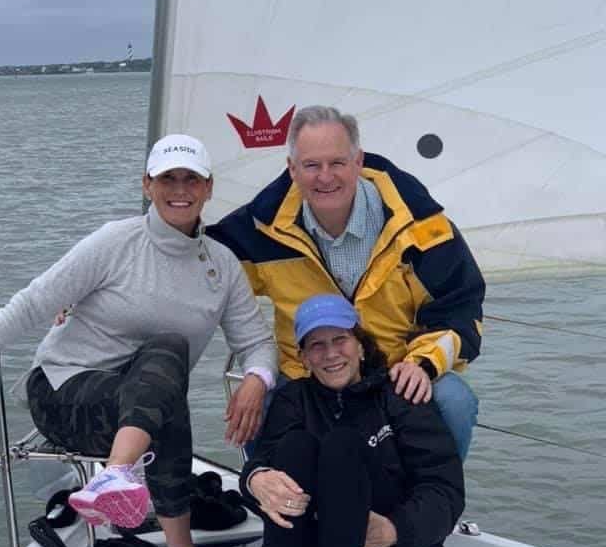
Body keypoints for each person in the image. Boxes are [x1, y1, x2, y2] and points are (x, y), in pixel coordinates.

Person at [0, 134, 277, 547]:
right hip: (66, 393)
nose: (180, 189)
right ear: (147, 184)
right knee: (169, 358)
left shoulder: (220, 266)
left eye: (190, 179)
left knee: (164, 383)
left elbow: (257, 341)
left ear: (208, 187)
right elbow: (33, 303)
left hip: (141, 413)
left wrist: (257, 379)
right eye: (167, 179)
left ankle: (127, 486)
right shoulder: (116, 242)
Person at [208, 105, 485, 460]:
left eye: (337, 163)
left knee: (454, 400)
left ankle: (436, 504)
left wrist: (422, 364)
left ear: (358, 161)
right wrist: (257, 371)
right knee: (256, 410)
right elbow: (202, 271)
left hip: (396, 371)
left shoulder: (422, 227)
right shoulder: (259, 228)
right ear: (292, 169)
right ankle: (278, 504)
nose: (325, 177)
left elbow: (461, 310)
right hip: (308, 372)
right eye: (311, 165)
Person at [235, 293, 464, 547]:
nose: (330, 354)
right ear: (303, 357)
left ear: (361, 345)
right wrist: (256, 478)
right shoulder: (295, 398)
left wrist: (394, 529)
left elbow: (444, 488)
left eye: (339, 340)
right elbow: (263, 460)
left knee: (342, 444)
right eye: (316, 345)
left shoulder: (397, 395)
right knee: (294, 447)